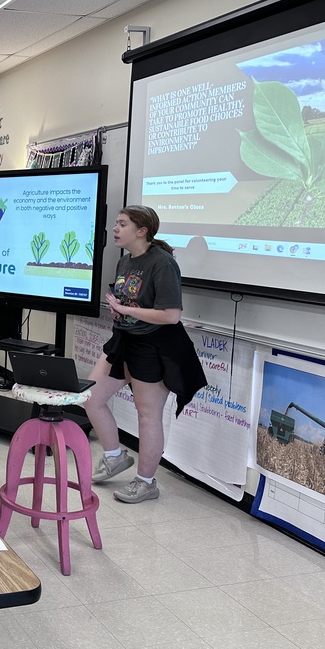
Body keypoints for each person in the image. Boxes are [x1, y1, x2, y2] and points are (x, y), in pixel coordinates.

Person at [85, 205, 207, 504]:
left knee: (147, 415)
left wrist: (126, 309)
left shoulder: (162, 263)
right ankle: (114, 456)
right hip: (125, 340)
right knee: (90, 396)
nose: (115, 229)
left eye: (122, 224)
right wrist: (121, 311)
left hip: (156, 345)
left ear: (142, 231)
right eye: (115, 223)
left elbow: (171, 315)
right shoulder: (125, 261)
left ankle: (146, 482)